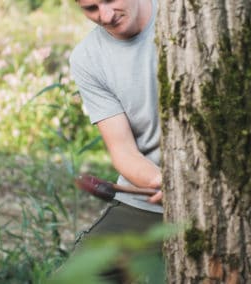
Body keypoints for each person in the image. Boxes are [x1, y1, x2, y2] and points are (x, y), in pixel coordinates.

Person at [69, 0, 163, 278]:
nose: (106, 16)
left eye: (110, 0)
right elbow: (123, 151)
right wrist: (162, 182)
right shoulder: (87, 57)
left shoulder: (186, 14)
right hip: (150, 198)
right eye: (91, 8)